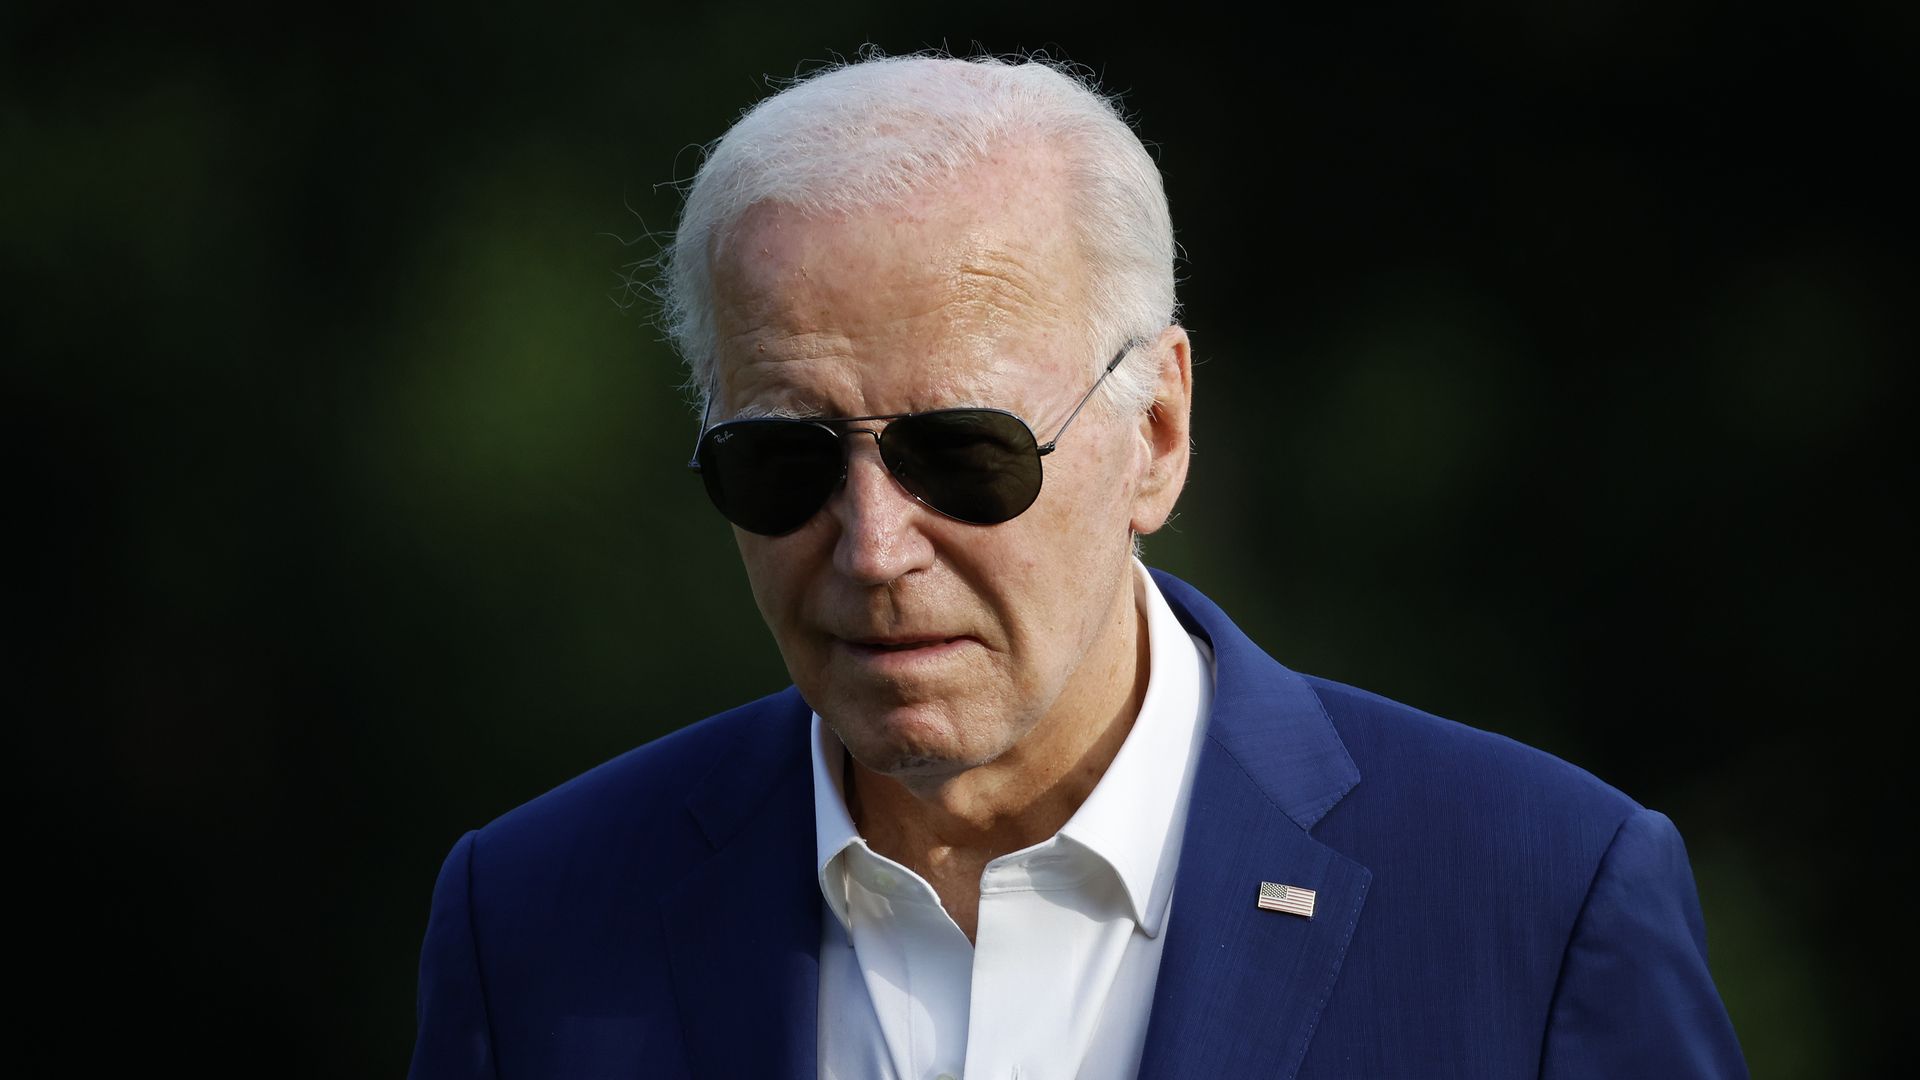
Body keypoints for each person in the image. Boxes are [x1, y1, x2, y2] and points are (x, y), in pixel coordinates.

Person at [408, 54, 1746, 1079]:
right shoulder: (533, 924)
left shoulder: (1539, 906)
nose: (874, 548)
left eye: (963, 454)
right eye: (782, 463)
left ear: (1155, 434)